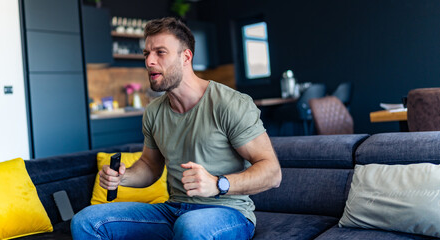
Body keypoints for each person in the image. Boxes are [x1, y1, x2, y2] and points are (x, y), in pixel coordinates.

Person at [71, 17, 282, 240]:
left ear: (186, 57)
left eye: (160, 52)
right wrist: (123, 178)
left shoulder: (230, 104)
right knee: (86, 222)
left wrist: (218, 183)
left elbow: (272, 172)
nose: (149, 61)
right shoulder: (154, 112)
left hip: (228, 212)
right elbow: (150, 166)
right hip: (173, 211)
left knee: (191, 227)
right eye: (146, 54)